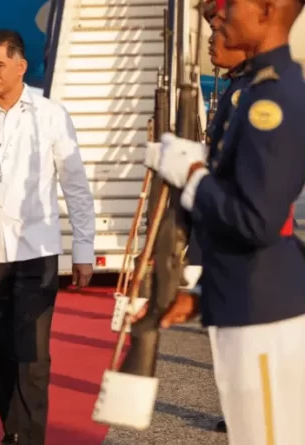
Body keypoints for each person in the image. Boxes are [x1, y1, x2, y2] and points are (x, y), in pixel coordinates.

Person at [143, 0, 305, 441]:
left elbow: (255, 220)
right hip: (242, 301)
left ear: (268, 10)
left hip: (262, 314)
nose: (223, 15)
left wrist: (192, 174)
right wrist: (200, 294)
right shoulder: (255, 88)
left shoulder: (274, 97)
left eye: (233, 4)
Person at [0, 30, 95, 445]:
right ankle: (13, 430)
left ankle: (30, 438)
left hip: (37, 251)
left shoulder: (51, 115)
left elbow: (75, 185)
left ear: (21, 66)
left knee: (33, 354)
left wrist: (83, 248)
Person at [189, 0, 249, 433]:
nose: (211, 39)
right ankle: (238, 406)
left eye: (218, 28)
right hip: (223, 229)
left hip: (245, 232)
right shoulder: (233, 86)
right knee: (227, 332)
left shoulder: (255, 89)